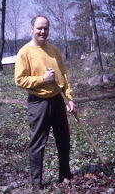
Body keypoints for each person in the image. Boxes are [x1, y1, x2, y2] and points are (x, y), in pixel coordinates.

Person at [14, 15, 76, 192]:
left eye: (46, 28)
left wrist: (69, 99)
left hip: (58, 100)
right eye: (39, 28)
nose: (43, 31)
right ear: (32, 28)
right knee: (38, 143)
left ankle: (65, 174)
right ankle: (37, 182)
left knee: (64, 139)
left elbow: (63, 77)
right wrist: (43, 79)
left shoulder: (54, 51)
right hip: (38, 102)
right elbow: (20, 80)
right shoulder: (24, 52)